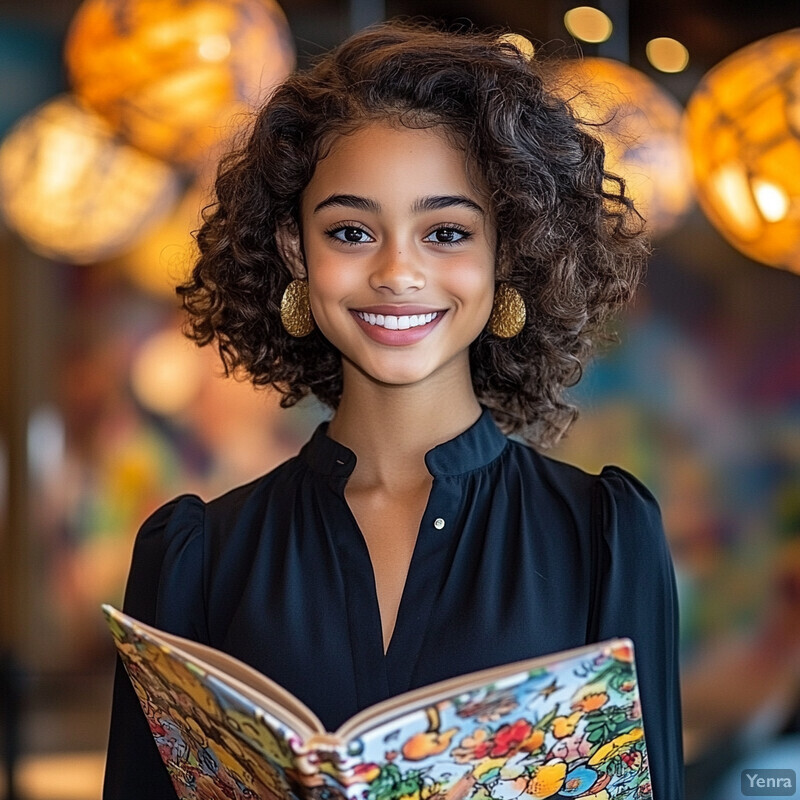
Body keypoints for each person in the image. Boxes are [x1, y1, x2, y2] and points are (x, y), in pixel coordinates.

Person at [103, 20, 683, 799]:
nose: (398, 271)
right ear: (294, 251)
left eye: (445, 232)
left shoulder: (604, 536)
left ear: (506, 252)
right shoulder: (197, 557)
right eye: (351, 231)